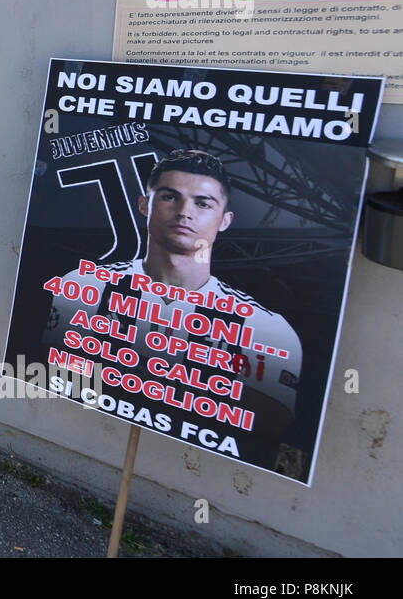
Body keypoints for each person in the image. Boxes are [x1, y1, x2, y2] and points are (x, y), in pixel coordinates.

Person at [43, 149, 301, 465]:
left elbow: (268, 427)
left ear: (225, 220)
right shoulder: (85, 285)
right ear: (144, 205)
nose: (184, 212)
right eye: (169, 196)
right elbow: (52, 369)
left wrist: (140, 374)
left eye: (203, 203)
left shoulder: (267, 328)